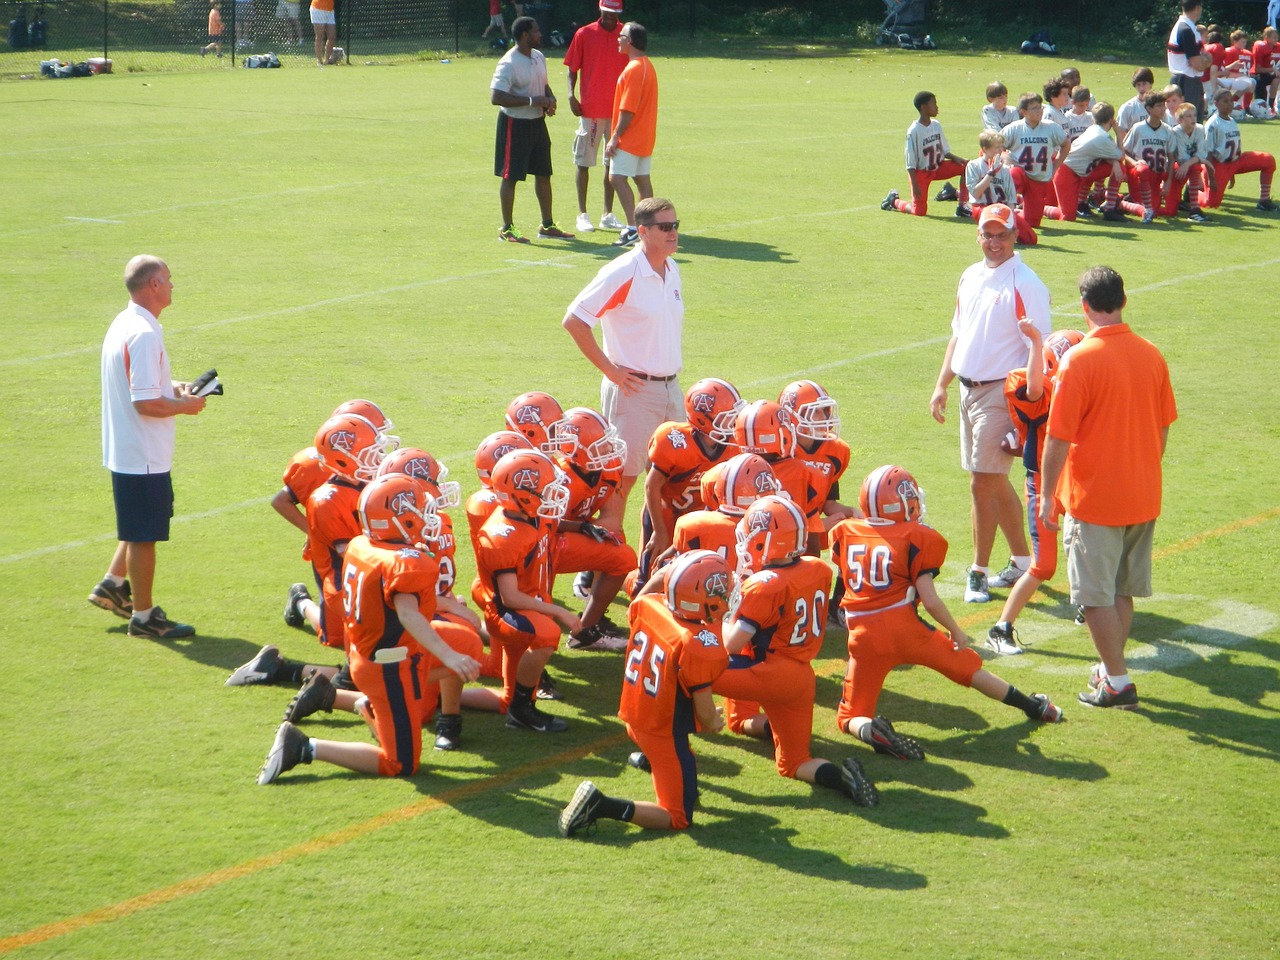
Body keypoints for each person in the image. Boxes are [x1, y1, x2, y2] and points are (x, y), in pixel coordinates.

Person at [256, 474, 483, 784]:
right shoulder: (406, 564)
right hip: (389, 665)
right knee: (400, 763)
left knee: (468, 645)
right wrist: (448, 655)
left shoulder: (361, 544)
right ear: (397, 518)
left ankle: (368, 702)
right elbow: (408, 614)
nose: (426, 515)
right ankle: (305, 747)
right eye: (419, 509)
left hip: (374, 651)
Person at [831, 466, 1062, 760]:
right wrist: (956, 629)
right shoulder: (916, 536)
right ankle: (1035, 707)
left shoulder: (845, 532)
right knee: (969, 669)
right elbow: (930, 600)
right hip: (906, 630)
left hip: (862, 636)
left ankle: (869, 730)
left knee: (849, 716)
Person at [1039, 267, 1177, 710]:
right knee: (1121, 590)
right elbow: (1163, 427)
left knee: (1093, 595)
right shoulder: (1151, 354)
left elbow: (1058, 437)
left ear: (1084, 305)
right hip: (1142, 493)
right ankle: (1109, 669)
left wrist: (1046, 495)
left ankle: (1117, 682)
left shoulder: (1079, 360)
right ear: (1123, 300)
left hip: (1094, 498)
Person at [711, 496, 880, 808]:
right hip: (801, 679)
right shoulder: (818, 569)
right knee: (794, 762)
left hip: (765, 671)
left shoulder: (764, 585)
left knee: (684, 669)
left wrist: (720, 617)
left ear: (767, 541)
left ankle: (663, 747)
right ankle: (842, 778)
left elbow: (731, 644)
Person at [558, 550, 730, 837]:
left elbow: (649, 589)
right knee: (677, 816)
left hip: (633, 713)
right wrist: (713, 721)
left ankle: (651, 761)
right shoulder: (697, 644)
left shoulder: (648, 604)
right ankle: (600, 805)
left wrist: (665, 574)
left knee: (680, 766)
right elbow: (704, 711)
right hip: (661, 731)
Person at [929, 204, 1050, 604]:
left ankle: (978, 571)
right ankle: (1022, 561)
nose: (994, 242)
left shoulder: (1027, 283)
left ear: (1016, 235)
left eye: (1002, 235)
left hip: (1000, 394)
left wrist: (1028, 410)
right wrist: (942, 384)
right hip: (967, 390)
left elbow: (1040, 349)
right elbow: (958, 334)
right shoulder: (969, 276)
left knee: (981, 482)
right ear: (978, 235)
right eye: (988, 234)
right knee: (993, 481)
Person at [90, 255, 207, 639]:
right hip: (141, 452)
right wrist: (185, 406)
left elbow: (141, 385)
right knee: (144, 536)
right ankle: (143, 617)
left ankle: (113, 584)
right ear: (153, 285)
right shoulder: (144, 333)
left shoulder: (125, 323)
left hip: (128, 449)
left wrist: (173, 388)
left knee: (138, 525)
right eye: (168, 279)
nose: (172, 285)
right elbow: (144, 403)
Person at [562, 196, 684, 531]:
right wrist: (611, 371)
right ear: (642, 231)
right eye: (665, 227)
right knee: (621, 482)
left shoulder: (671, 269)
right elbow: (575, 320)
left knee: (673, 482)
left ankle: (656, 553)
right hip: (634, 392)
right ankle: (604, 557)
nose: (673, 232)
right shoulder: (622, 272)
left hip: (671, 389)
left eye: (675, 225)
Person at [986, 326, 1084, 655]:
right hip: (1044, 484)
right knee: (1043, 566)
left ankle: (1087, 600)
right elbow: (1033, 391)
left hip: (1076, 479)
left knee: (1089, 545)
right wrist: (1036, 342)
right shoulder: (1028, 383)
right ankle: (1001, 628)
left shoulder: (1074, 384)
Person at [491, 16, 574, 243]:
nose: (540, 34)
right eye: (536, 31)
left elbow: (543, 84)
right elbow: (496, 97)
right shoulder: (509, 63)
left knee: (544, 173)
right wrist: (531, 101)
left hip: (537, 123)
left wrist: (550, 98)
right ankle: (507, 228)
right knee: (510, 176)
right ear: (525, 35)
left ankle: (547, 225)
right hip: (514, 124)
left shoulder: (538, 57)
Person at [563, 0, 628, 234]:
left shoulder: (626, 34)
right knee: (584, 162)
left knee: (613, 164)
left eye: (614, 13)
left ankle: (607, 214)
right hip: (590, 110)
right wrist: (571, 95)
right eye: (607, 12)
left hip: (618, 111)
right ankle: (582, 214)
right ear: (600, 9)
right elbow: (572, 68)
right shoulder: (584, 33)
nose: (610, 16)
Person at [605, 21, 659, 246]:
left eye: (622, 36)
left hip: (631, 136)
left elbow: (628, 109)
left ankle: (633, 227)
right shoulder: (646, 65)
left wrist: (615, 136)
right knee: (642, 180)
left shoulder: (634, 68)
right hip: (644, 136)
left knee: (616, 178)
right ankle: (648, 228)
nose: (618, 39)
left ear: (631, 41)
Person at [882, 90, 971, 219]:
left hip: (938, 167)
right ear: (924, 107)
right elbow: (910, 161)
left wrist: (958, 159)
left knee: (967, 167)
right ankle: (894, 201)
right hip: (921, 172)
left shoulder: (936, 125)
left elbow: (944, 151)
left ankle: (962, 206)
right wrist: (915, 184)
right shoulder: (914, 131)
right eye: (933, 104)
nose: (937, 107)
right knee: (919, 211)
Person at [1201, 88, 1277, 210]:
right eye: (1225, 101)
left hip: (1236, 161)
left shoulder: (1232, 121)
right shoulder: (1212, 124)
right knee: (1211, 203)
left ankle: (1264, 200)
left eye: (1231, 101)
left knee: (1268, 160)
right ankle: (1193, 189)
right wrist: (1211, 178)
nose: (1230, 104)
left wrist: (1232, 173)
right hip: (1219, 165)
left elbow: (1235, 147)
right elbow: (1207, 154)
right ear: (1216, 104)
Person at [1000, 92, 1069, 228]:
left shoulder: (1051, 127)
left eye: (1040, 107)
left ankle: (1018, 212)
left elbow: (1066, 144)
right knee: (1014, 174)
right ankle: (1002, 210)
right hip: (1020, 173)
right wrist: (1006, 157)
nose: (1039, 111)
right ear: (1023, 112)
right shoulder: (1014, 128)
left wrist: (1055, 166)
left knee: (1032, 223)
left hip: (1038, 178)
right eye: (1034, 108)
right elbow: (996, 147)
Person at [964, 130, 1036, 243]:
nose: (1000, 150)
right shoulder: (974, 165)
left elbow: (1011, 198)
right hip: (982, 206)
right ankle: (984, 234)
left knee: (1030, 239)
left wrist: (1012, 219)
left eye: (1001, 147)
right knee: (999, 235)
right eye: (997, 147)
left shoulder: (1004, 169)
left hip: (1002, 208)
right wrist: (990, 174)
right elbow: (976, 193)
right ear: (985, 149)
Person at [1168, 0, 1211, 121]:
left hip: (1189, 80)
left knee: (1195, 123)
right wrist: (1206, 60)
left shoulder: (1189, 28)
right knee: (1188, 123)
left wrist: (1205, 59)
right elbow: (1198, 64)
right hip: (1186, 82)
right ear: (1197, 8)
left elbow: (1205, 58)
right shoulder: (1185, 30)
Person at [309, 0, 336, 66]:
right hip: (318, 9)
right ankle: (319, 60)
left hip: (329, 9)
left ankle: (327, 60)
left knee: (332, 36)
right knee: (320, 35)